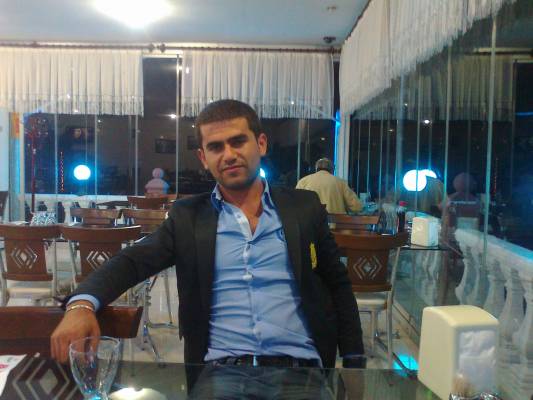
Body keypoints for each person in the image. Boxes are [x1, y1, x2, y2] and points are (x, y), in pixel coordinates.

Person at [51, 100, 364, 373]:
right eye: (216, 147)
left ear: (261, 144)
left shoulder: (303, 207)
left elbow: (337, 283)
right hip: (222, 372)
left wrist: (354, 359)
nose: (229, 155)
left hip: (300, 370)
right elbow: (132, 261)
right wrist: (81, 304)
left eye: (238, 141)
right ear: (203, 158)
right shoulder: (188, 217)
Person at [295, 158, 362, 214]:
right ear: (332, 169)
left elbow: (296, 204)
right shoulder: (341, 183)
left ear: (316, 169)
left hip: (310, 223)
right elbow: (356, 207)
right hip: (334, 223)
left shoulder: (303, 181)